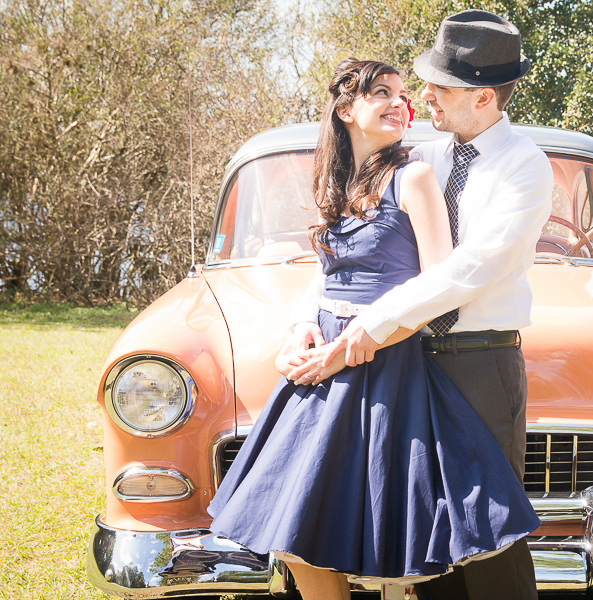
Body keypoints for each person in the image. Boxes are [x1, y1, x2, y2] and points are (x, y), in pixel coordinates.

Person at [207, 58, 540, 600]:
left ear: (482, 97)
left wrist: (361, 334)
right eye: (384, 92)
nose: (409, 101)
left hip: (401, 356)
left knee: (464, 536)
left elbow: (455, 274)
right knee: (300, 521)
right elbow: (324, 273)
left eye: (411, 92)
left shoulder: (497, 164)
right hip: (334, 360)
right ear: (344, 109)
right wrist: (299, 327)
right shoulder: (384, 165)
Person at [285, 10, 554, 600]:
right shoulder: (421, 159)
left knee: (486, 532)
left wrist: (371, 326)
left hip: (478, 361)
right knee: (429, 535)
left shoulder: (524, 168)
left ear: (483, 96)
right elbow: (354, 246)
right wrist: (312, 313)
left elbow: (472, 268)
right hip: (408, 364)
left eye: (440, 86)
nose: (423, 95)